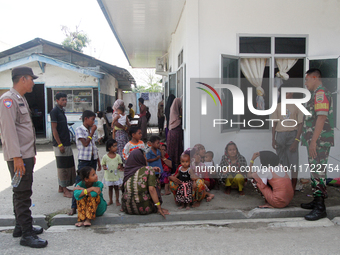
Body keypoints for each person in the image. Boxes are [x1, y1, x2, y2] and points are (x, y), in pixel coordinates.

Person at [0, 66, 47, 248]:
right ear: (23, 79)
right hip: (18, 157)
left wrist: (31, 154)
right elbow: (8, 131)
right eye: (31, 79)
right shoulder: (8, 101)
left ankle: (20, 226)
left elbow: (25, 129)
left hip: (25, 155)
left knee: (20, 190)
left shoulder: (20, 99)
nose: (33, 83)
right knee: (22, 194)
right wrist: (17, 157)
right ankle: (26, 235)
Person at [300, 68, 334, 221]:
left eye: (307, 80)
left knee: (319, 171)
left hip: (319, 141)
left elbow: (321, 118)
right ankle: (316, 201)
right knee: (315, 171)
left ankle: (321, 208)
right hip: (314, 141)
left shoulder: (321, 94)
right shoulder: (315, 94)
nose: (305, 83)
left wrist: (313, 141)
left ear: (315, 78)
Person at [69, 110, 102, 216]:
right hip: (84, 161)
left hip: (92, 159)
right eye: (92, 119)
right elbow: (85, 144)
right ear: (86, 119)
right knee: (79, 182)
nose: (94, 122)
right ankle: (74, 207)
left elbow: (94, 147)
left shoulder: (91, 130)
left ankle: (88, 205)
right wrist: (92, 132)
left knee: (91, 181)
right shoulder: (80, 129)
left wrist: (98, 161)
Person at [271, 83, 303, 191]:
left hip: (292, 135)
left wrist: (296, 141)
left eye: (287, 92)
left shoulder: (298, 105)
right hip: (280, 135)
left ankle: (293, 186)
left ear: (291, 93)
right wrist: (273, 139)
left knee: (294, 162)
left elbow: (300, 124)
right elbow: (274, 123)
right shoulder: (278, 106)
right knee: (280, 163)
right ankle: (283, 185)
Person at [121, 149, 170, 218]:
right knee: (155, 181)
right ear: (140, 158)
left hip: (127, 208)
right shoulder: (148, 169)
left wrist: (151, 170)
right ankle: (155, 206)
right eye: (144, 157)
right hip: (144, 209)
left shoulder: (128, 170)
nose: (146, 159)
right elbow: (152, 189)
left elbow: (138, 173)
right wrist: (159, 208)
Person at [50, 92, 76, 198]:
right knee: (63, 167)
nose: (65, 102)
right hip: (60, 143)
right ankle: (65, 190)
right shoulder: (54, 111)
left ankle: (61, 187)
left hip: (66, 141)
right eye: (62, 100)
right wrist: (60, 144)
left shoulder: (61, 111)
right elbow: (54, 129)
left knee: (68, 164)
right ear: (57, 100)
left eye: (66, 99)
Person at [101, 139, 123, 206]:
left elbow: (120, 163)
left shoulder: (118, 156)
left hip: (115, 175)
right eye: (114, 146)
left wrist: (119, 166)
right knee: (110, 188)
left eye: (116, 146)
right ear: (109, 148)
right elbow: (103, 163)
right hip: (109, 175)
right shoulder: (105, 157)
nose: (116, 147)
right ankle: (110, 200)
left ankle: (117, 200)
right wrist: (104, 167)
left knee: (116, 188)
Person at [167, 97, 183, 172]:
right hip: (175, 134)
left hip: (171, 133)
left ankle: (172, 166)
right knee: (176, 150)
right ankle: (176, 166)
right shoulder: (177, 119)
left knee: (172, 151)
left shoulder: (173, 114)